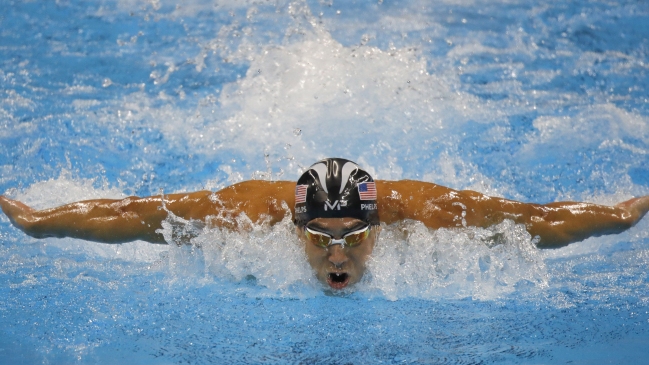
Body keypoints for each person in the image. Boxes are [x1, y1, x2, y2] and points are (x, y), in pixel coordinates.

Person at [1, 158, 648, 290]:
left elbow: (537, 219)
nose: (336, 254)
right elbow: (131, 214)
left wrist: (626, 214)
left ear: (377, 222)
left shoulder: (424, 212)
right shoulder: (248, 210)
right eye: (319, 237)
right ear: (294, 224)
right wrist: (35, 222)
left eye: (352, 235)